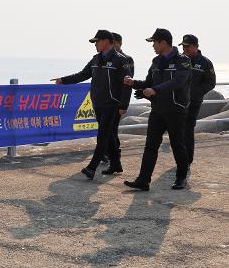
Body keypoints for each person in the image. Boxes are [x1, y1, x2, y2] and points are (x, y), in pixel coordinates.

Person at [51, 30, 132, 180]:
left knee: (102, 135)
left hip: (111, 104)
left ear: (107, 41)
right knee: (109, 135)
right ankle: (116, 164)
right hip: (98, 103)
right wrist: (63, 80)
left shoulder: (121, 60)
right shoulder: (95, 59)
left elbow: (127, 85)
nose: (95, 44)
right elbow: (82, 74)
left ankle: (91, 167)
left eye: (97, 41)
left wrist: (124, 105)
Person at [123, 28, 192, 191]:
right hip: (158, 110)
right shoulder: (156, 61)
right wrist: (134, 83)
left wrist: (156, 90)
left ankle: (181, 177)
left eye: (154, 42)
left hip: (176, 110)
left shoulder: (183, 61)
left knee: (177, 144)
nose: (152, 46)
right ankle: (143, 180)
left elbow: (178, 82)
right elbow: (149, 82)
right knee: (151, 145)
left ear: (163, 42)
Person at [179, 34, 216, 169]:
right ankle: (181, 157)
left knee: (188, 128)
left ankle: (187, 159)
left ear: (196, 46)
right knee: (178, 129)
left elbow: (211, 83)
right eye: (183, 46)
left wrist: (194, 94)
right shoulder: (180, 59)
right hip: (178, 101)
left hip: (194, 102)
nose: (185, 48)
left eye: (187, 46)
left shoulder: (205, 62)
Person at [101, 33, 135, 168]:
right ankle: (108, 152)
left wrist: (124, 103)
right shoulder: (105, 57)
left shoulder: (127, 59)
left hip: (117, 100)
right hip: (106, 100)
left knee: (112, 128)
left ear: (118, 43)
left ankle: (115, 154)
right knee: (107, 128)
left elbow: (128, 82)